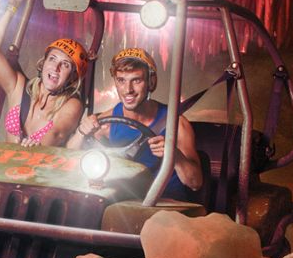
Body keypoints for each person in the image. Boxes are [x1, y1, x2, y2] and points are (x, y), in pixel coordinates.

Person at [69, 47, 203, 199]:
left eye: (136, 80)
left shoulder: (177, 124)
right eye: (121, 80)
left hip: (165, 202)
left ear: (150, 82)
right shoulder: (107, 121)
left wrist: (174, 156)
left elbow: (195, 182)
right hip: (124, 200)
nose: (128, 90)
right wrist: (81, 132)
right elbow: (67, 157)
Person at [0, 0, 86, 147]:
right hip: (5, 167)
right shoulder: (18, 87)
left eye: (65, 64)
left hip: (42, 170)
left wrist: (38, 148)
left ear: (72, 77)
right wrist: (12, 8)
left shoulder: (71, 105)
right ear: (43, 63)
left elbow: (57, 133)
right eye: (52, 59)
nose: (55, 68)